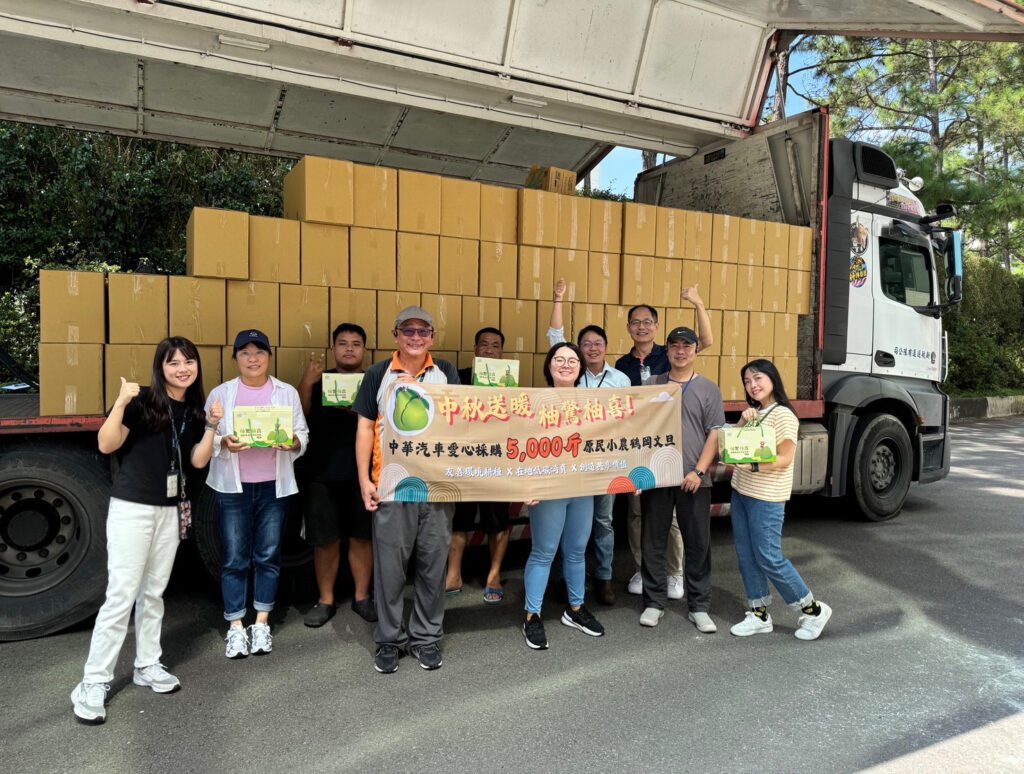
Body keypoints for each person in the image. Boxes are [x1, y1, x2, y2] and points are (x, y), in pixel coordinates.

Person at [71, 337, 219, 724]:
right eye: (174, 363)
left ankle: (147, 664)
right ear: (161, 367)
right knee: (121, 595)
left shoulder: (195, 411)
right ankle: (93, 680)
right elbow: (107, 444)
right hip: (132, 509)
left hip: (170, 511)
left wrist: (213, 429)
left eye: (189, 361)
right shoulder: (141, 403)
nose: (183, 368)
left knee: (153, 593)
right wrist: (120, 402)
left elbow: (197, 462)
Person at [353, 306, 460, 673]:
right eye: (408, 331)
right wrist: (365, 480)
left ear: (432, 336)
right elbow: (365, 428)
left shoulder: (446, 373)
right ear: (396, 334)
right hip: (392, 486)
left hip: (437, 486)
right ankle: (389, 639)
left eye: (423, 331)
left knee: (433, 565)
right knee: (390, 569)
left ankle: (427, 637)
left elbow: (463, 427)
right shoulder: (378, 373)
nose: (416, 338)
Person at [205, 329, 308, 659]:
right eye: (245, 352)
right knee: (235, 557)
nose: (253, 358)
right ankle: (235, 626)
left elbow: (302, 434)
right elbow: (209, 438)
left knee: (268, 555)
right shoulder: (220, 394)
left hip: (273, 488)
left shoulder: (286, 392)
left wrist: (293, 442)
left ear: (269, 357)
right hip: (233, 487)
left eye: (259, 352)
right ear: (235, 358)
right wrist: (223, 442)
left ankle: (261, 621)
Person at [616, 289, 714, 601]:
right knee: (638, 516)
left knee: (673, 521)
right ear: (629, 328)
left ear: (656, 327)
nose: (641, 327)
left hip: (676, 454)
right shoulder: (623, 363)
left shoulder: (668, 353)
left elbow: (705, 341)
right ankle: (643, 569)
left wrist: (698, 303)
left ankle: (675, 574)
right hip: (644, 448)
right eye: (635, 322)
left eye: (647, 322)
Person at [728, 359, 833, 640]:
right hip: (742, 493)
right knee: (746, 556)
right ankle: (759, 613)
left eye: (758, 378)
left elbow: (785, 457)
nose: (753, 385)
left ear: (773, 379)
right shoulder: (758, 413)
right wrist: (742, 420)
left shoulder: (783, 415)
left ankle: (813, 609)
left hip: (766, 498)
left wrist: (755, 466)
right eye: (748, 382)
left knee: (769, 557)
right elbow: (734, 446)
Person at [546, 278, 630, 605]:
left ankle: (605, 578)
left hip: (606, 461)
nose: (592, 348)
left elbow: (631, 423)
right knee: (568, 521)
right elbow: (556, 338)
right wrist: (558, 299)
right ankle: (569, 579)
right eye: (586, 343)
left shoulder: (621, 380)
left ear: (606, 348)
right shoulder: (569, 373)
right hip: (569, 461)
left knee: (603, 521)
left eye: (598, 343)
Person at [639, 326, 724, 632]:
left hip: (694, 478)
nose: (680, 351)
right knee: (653, 540)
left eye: (686, 345)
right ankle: (654, 602)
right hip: (658, 477)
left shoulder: (709, 389)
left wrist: (699, 471)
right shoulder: (652, 384)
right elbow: (641, 431)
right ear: (668, 351)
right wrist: (639, 473)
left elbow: (715, 432)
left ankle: (699, 606)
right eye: (673, 345)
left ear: (695, 350)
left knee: (698, 542)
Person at [521, 342, 606, 650]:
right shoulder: (532, 401)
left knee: (576, 551)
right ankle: (532, 614)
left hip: (582, 488)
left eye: (572, 360)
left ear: (581, 368)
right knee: (543, 552)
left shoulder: (593, 403)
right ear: (549, 366)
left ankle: (576, 608)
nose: (566, 364)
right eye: (559, 359)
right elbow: (519, 446)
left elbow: (615, 440)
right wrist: (525, 486)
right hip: (548, 489)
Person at [298, 323, 377, 626]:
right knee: (325, 539)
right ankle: (325, 600)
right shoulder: (320, 380)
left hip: (364, 474)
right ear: (333, 348)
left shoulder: (375, 381)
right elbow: (300, 416)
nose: (349, 348)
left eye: (355, 344)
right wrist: (306, 383)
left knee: (362, 536)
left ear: (364, 350)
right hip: (322, 472)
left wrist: (358, 411)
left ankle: (362, 597)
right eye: (342, 343)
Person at [447, 326, 511, 604]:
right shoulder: (457, 378)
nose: (489, 349)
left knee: (497, 521)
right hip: (463, 459)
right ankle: (453, 574)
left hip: (496, 461)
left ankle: (494, 575)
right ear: (475, 350)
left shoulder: (510, 382)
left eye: (495, 345)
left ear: (501, 352)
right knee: (458, 519)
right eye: (483, 344)